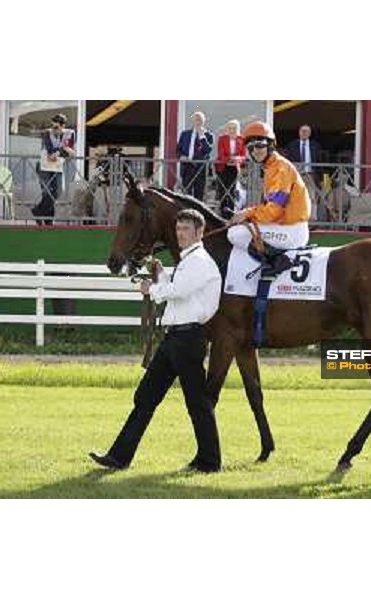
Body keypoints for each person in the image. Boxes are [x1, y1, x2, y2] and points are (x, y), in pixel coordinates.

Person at [89, 209, 223, 473]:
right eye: (178, 228)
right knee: (146, 396)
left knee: (196, 403)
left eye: (186, 229)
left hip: (188, 338)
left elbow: (177, 291)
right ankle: (119, 456)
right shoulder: (189, 261)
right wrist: (161, 276)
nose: (180, 233)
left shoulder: (199, 261)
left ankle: (210, 461)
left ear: (199, 232)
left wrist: (151, 288)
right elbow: (178, 291)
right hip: (176, 338)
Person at [228, 121, 311, 277]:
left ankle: (278, 261)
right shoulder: (272, 167)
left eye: (259, 145)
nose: (255, 151)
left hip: (292, 231)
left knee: (235, 234)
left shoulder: (280, 168)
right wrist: (247, 215)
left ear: (271, 145)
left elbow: (274, 210)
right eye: (251, 148)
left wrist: (247, 213)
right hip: (286, 225)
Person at [32, 113, 76, 226]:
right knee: (47, 193)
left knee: (58, 192)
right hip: (44, 167)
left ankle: (38, 211)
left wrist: (62, 151)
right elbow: (51, 154)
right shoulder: (48, 133)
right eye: (52, 126)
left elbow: (71, 152)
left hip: (57, 166)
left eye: (56, 127)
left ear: (63, 126)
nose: (53, 129)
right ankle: (48, 220)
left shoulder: (70, 133)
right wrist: (63, 149)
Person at [286, 124, 322, 220]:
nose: (304, 133)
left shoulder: (315, 145)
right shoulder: (292, 145)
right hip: (296, 175)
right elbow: (287, 160)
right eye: (302, 131)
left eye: (306, 131)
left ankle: (312, 219)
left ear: (310, 133)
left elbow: (319, 161)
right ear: (299, 132)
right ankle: (295, 217)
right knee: (294, 197)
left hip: (310, 174)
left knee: (311, 197)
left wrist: (320, 178)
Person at [177, 111, 214, 201]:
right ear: (192, 121)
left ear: (203, 122)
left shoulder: (209, 135)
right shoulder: (185, 134)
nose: (198, 122)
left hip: (200, 168)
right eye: (196, 119)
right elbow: (178, 149)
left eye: (200, 120)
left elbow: (207, 150)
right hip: (187, 167)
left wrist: (202, 135)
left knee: (199, 196)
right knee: (186, 195)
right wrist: (181, 156)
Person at [215, 119, 246, 219]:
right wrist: (231, 159)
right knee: (223, 190)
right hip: (223, 167)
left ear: (238, 129)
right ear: (227, 129)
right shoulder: (222, 138)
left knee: (232, 191)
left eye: (234, 128)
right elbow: (220, 153)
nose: (232, 130)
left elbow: (243, 155)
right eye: (230, 128)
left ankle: (231, 213)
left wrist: (238, 159)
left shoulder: (241, 139)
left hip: (234, 168)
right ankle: (223, 214)